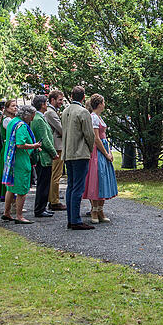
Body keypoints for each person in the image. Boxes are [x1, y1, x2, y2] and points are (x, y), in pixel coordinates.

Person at [61, 86, 96, 230]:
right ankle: (75, 220)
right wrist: (89, 148)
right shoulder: (83, 112)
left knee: (71, 186)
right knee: (78, 187)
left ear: (71, 95)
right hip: (80, 153)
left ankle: (71, 218)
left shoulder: (65, 111)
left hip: (68, 153)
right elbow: (89, 134)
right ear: (83, 97)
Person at [1, 105, 41, 224]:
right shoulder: (22, 126)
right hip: (20, 160)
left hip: (10, 158)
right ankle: (19, 216)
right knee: (22, 189)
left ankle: (6, 213)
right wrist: (34, 146)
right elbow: (20, 144)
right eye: (32, 117)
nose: (32, 119)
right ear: (27, 115)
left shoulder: (13, 122)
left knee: (10, 188)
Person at [84, 93, 119, 223]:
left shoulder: (98, 117)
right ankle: (94, 210)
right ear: (99, 104)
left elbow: (103, 138)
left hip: (103, 150)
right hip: (96, 153)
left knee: (102, 180)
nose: (105, 105)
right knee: (96, 179)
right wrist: (105, 153)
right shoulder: (93, 117)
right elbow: (96, 139)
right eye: (103, 103)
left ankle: (100, 210)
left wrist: (109, 151)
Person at [30, 95, 59, 218]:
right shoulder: (39, 119)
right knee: (43, 183)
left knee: (44, 183)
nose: (47, 105)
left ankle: (42, 207)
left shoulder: (39, 118)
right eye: (46, 103)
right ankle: (40, 209)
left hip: (43, 155)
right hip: (43, 156)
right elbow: (45, 139)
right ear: (42, 104)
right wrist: (54, 153)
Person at [44, 90, 66, 211]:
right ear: (52, 100)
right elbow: (61, 129)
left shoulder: (52, 112)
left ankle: (53, 199)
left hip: (57, 146)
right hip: (57, 146)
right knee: (56, 175)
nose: (61, 102)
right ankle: (54, 201)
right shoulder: (51, 113)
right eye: (60, 100)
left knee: (55, 174)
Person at [0, 99, 17, 201]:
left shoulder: (11, 119)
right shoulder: (7, 120)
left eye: (16, 106)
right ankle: (6, 195)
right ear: (6, 108)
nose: (15, 108)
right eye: (12, 106)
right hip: (8, 147)